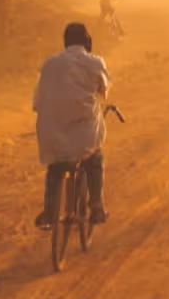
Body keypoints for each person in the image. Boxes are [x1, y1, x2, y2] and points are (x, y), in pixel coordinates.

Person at [33, 22, 112, 226]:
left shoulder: (49, 63)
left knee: (56, 166)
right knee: (95, 157)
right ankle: (96, 206)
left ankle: (50, 211)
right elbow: (104, 90)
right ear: (88, 42)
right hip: (82, 137)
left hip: (51, 136)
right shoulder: (95, 62)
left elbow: (37, 100)